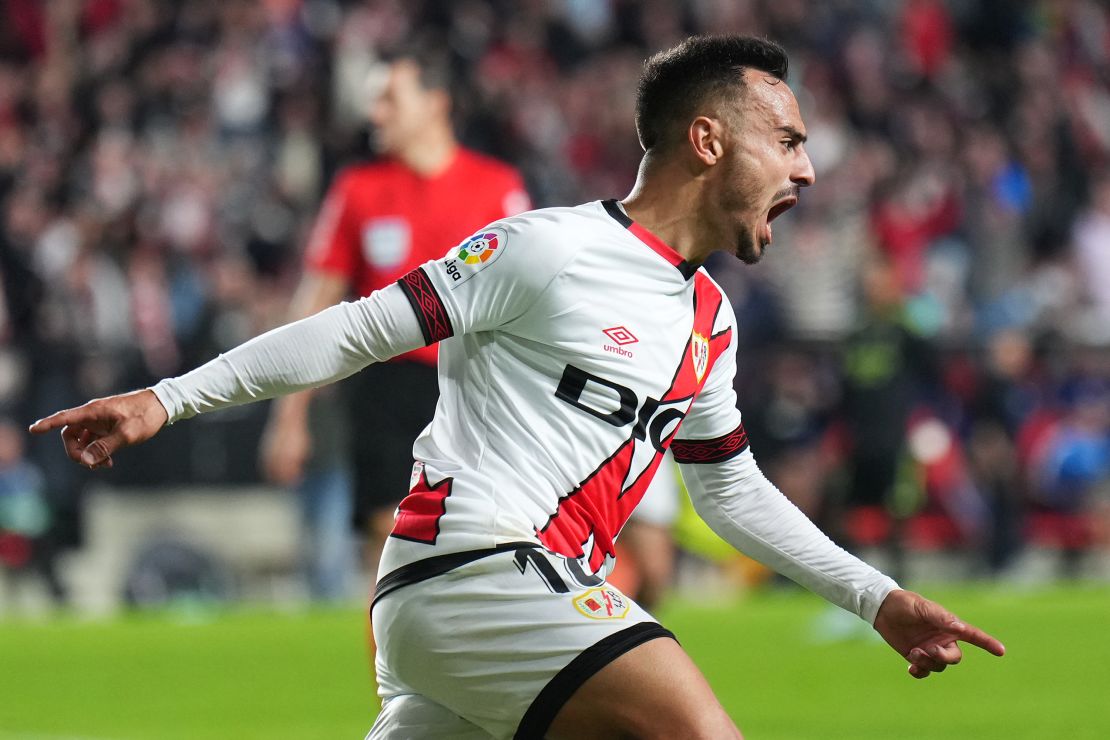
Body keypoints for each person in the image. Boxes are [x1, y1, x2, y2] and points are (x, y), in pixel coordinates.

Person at [31, 36, 1004, 739]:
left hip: (479, 614)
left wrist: (877, 599)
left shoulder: (710, 318)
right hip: (474, 565)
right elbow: (358, 327)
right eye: (787, 140)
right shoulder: (548, 248)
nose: (809, 167)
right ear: (708, 141)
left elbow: (729, 487)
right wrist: (166, 397)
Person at [259, 43, 531, 588]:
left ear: (435, 102)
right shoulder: (358, 191)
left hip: (480, 389)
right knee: (392, 550)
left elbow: (535, 298)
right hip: (386, 389)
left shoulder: (497, 189)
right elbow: (315, 306)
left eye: (388, 99)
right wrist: (289, 419)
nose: (374, 114)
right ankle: (393, 676)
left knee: (488, 553)